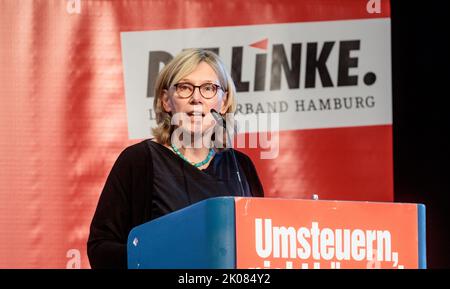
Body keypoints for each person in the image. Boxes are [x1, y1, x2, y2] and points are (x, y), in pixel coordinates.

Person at [87, 49, 265, 269]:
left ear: (225, 101)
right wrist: (158, 256)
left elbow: (259, 243)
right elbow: (100, 248)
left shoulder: (241, 166)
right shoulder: (138, 161)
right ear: (166, 101)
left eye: (209, 88)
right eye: (184, 87)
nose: (196, 98)